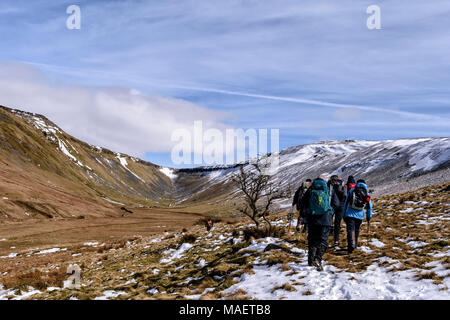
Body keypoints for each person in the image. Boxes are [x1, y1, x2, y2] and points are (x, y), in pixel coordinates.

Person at [300, 174, 334, 271]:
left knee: (312, 239)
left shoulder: (310, 190)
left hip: (312, 219)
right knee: (323, 240)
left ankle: (310, 261)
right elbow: (335, 203)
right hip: (326, 219)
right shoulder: (328, 189)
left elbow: (303, 203)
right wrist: (330, 212)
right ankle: (318, 258)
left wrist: (305, 216)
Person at [343, 180, 372, 254]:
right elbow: (369, 207)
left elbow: (345, 203)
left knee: (350, 231)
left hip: (350, 214)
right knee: (356, 231)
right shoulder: (366, 193)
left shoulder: (352, 191)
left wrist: (344, 215)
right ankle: (354, 245)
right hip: (360, 215)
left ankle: (350, 247)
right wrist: (368, 217)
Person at [327, 175, 346, 246]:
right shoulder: (342, 183)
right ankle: (336, 240)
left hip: (331, 206)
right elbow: (344, 195)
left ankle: (325, 240)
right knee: (337, 224)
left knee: (328, 222)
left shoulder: (329, 183)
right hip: (340, 206)